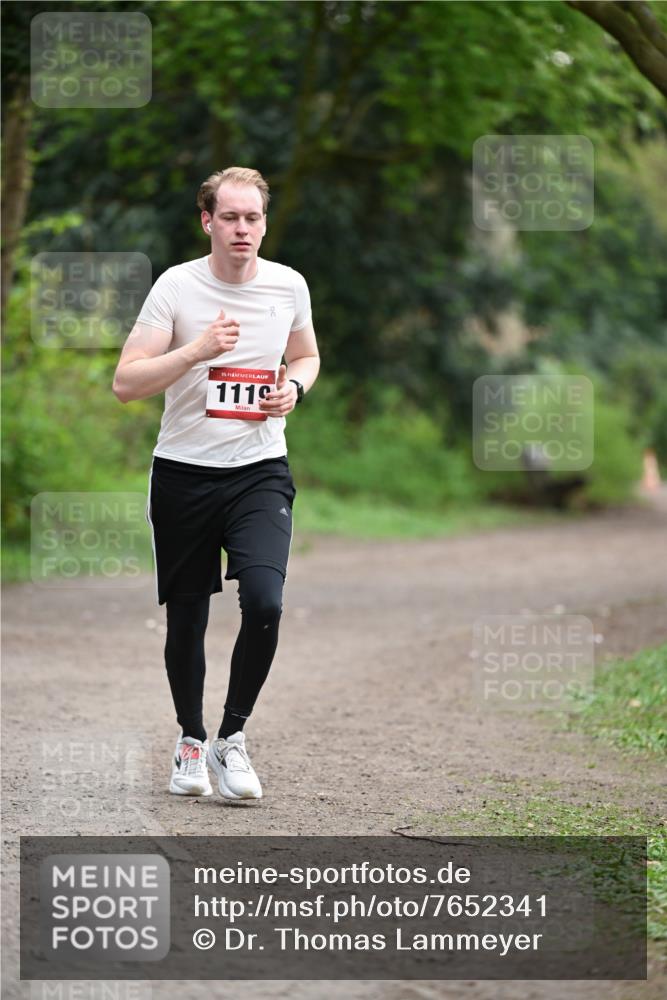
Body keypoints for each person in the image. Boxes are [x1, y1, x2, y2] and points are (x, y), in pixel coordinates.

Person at [112, 167, 320, 803]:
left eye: (252, 217)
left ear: (265, 223)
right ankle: (190, 739)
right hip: (184, 472)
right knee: (187, 618)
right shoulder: (177, 287)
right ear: (208, 222)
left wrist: (294, 387)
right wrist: (197, 351)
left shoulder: (288, 285)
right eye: (229, 217)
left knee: (265, 601)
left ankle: (232, 737)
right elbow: (126, 382)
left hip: (259, 470)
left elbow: (306, 355)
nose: (241, 229)